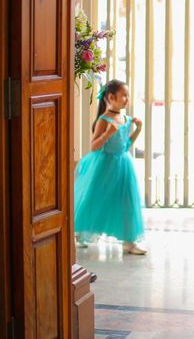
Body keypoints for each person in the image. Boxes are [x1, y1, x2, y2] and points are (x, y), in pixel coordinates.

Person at [74, 79, 146, 255]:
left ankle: (129, 241)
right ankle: (80, 233)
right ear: (111, 97)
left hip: (123, 164)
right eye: (124, 96)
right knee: (95, 198)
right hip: (105, 166)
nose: (127, 99)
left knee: (127, 200)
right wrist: (107, 133)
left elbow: (126, 144)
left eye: (128, 95)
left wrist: (137, 129)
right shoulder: (103, 120)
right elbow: (94, 146)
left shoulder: (126, 119)